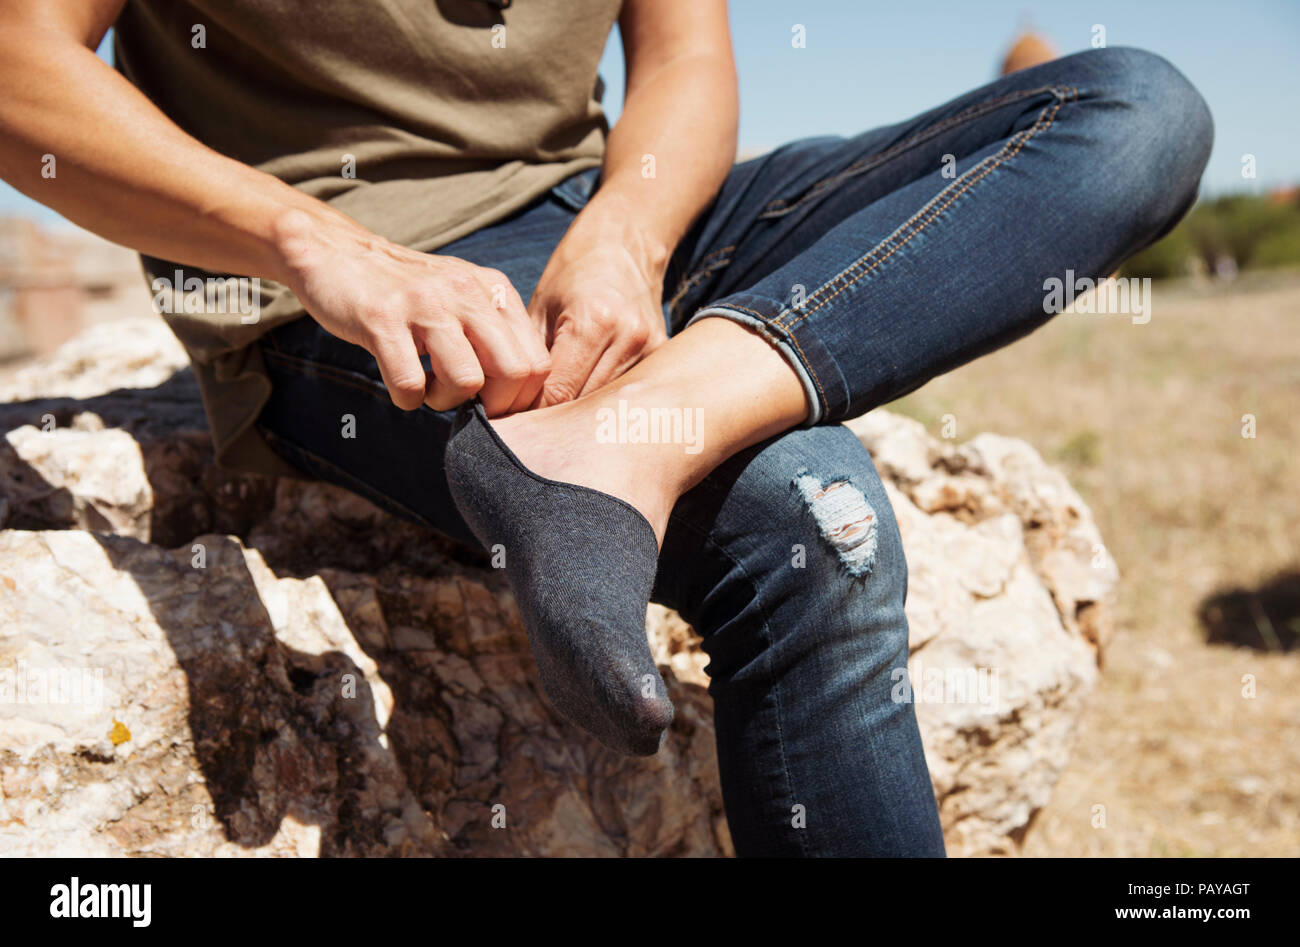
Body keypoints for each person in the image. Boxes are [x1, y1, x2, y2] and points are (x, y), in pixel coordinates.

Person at [0, 0, 1211, 857]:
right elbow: (19, 60)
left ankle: (621, 436)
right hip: (355, 283)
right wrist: (316, 245)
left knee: (1132, 109)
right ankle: (653, 422)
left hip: (620, 220)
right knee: (809, 516)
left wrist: (628, 239)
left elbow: (683, 58)